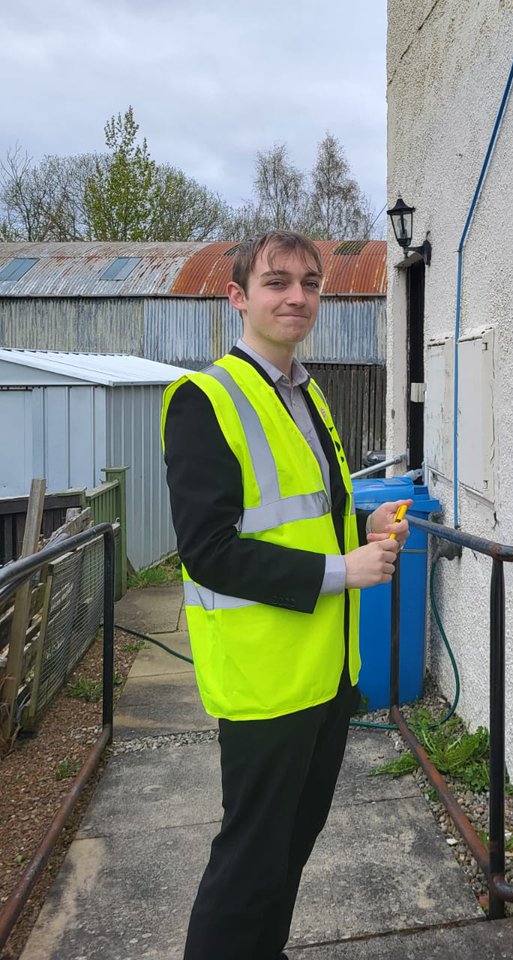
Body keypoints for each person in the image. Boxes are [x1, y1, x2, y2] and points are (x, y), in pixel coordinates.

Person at [161, 230, 410, 960]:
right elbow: (209, 552)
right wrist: (344, 571)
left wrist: (361, 523)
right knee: (247, 872)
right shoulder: (204, 399)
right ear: (238, 296)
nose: (296, 296)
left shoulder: (306, 392)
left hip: (325, 675)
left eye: (309, 282)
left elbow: (303, 514)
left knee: (284, 862)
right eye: (276, 282)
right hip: (266, 683)